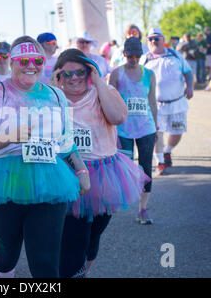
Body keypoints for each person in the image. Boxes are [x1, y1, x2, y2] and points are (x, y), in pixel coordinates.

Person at [0, 36, 90, 278]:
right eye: (24, 60)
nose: (32, 65)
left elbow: (66, 140)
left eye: (37, 60)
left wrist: (81, 170)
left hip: (49, 182)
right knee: (4, 259)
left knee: (46, 262)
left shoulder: (56, 95)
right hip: (3, 180)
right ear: (12, 62)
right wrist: (12, 135)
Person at [53, 48, 149, 278]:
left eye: (80, 72)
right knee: (75, 238)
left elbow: (117, 118)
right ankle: (72, 273)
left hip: (105, 175)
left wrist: (99, 82)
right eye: (67, 74)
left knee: (92, 236)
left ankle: (81, 268)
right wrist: (54, 87)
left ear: (90, 72)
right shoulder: (53, 97)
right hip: (68, 175)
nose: (74, 77)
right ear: (59, 75)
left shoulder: (103, 91)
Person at [109, 37, 158, 225]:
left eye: (138, 55)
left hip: (146, 127)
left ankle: (143, 210)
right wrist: (109, 126)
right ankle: (119, 200)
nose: (134, 59)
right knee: (124, 167)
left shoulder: (149, 74)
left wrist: (156, 125)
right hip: (123, 128)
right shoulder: (116, 74)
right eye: (131, 55)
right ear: (124, 54)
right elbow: (109, 100)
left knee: (146, 167)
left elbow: (152, 102)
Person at [142, 28, 194, 176]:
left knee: (177, 132)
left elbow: (188, 72)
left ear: (163, 40)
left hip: (177, 103)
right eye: (150, 39)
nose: (153, 41)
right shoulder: (144, 59)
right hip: (155, 105)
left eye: (156, 38)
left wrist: (190, 86)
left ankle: (167, 151)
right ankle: (160, 162)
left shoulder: (175, 55)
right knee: (156, 134)